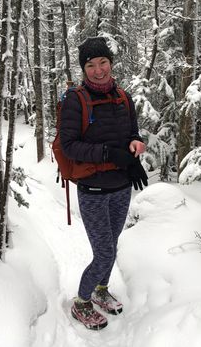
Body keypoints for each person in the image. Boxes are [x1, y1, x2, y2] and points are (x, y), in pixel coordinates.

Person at [60, 36, 148, 330]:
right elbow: (70, 145)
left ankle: (100, 289)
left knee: (112, 245)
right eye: (91, 65)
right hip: (93, 190)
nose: (98, 70)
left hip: (121, 188)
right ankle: (82, 302)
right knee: (104, 253)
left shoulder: (124, 98)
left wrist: (135, 145)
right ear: (83, 69)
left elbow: (131, 133)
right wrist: (109, 153)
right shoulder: (76, 99)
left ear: (111, 63)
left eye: (103, 63)